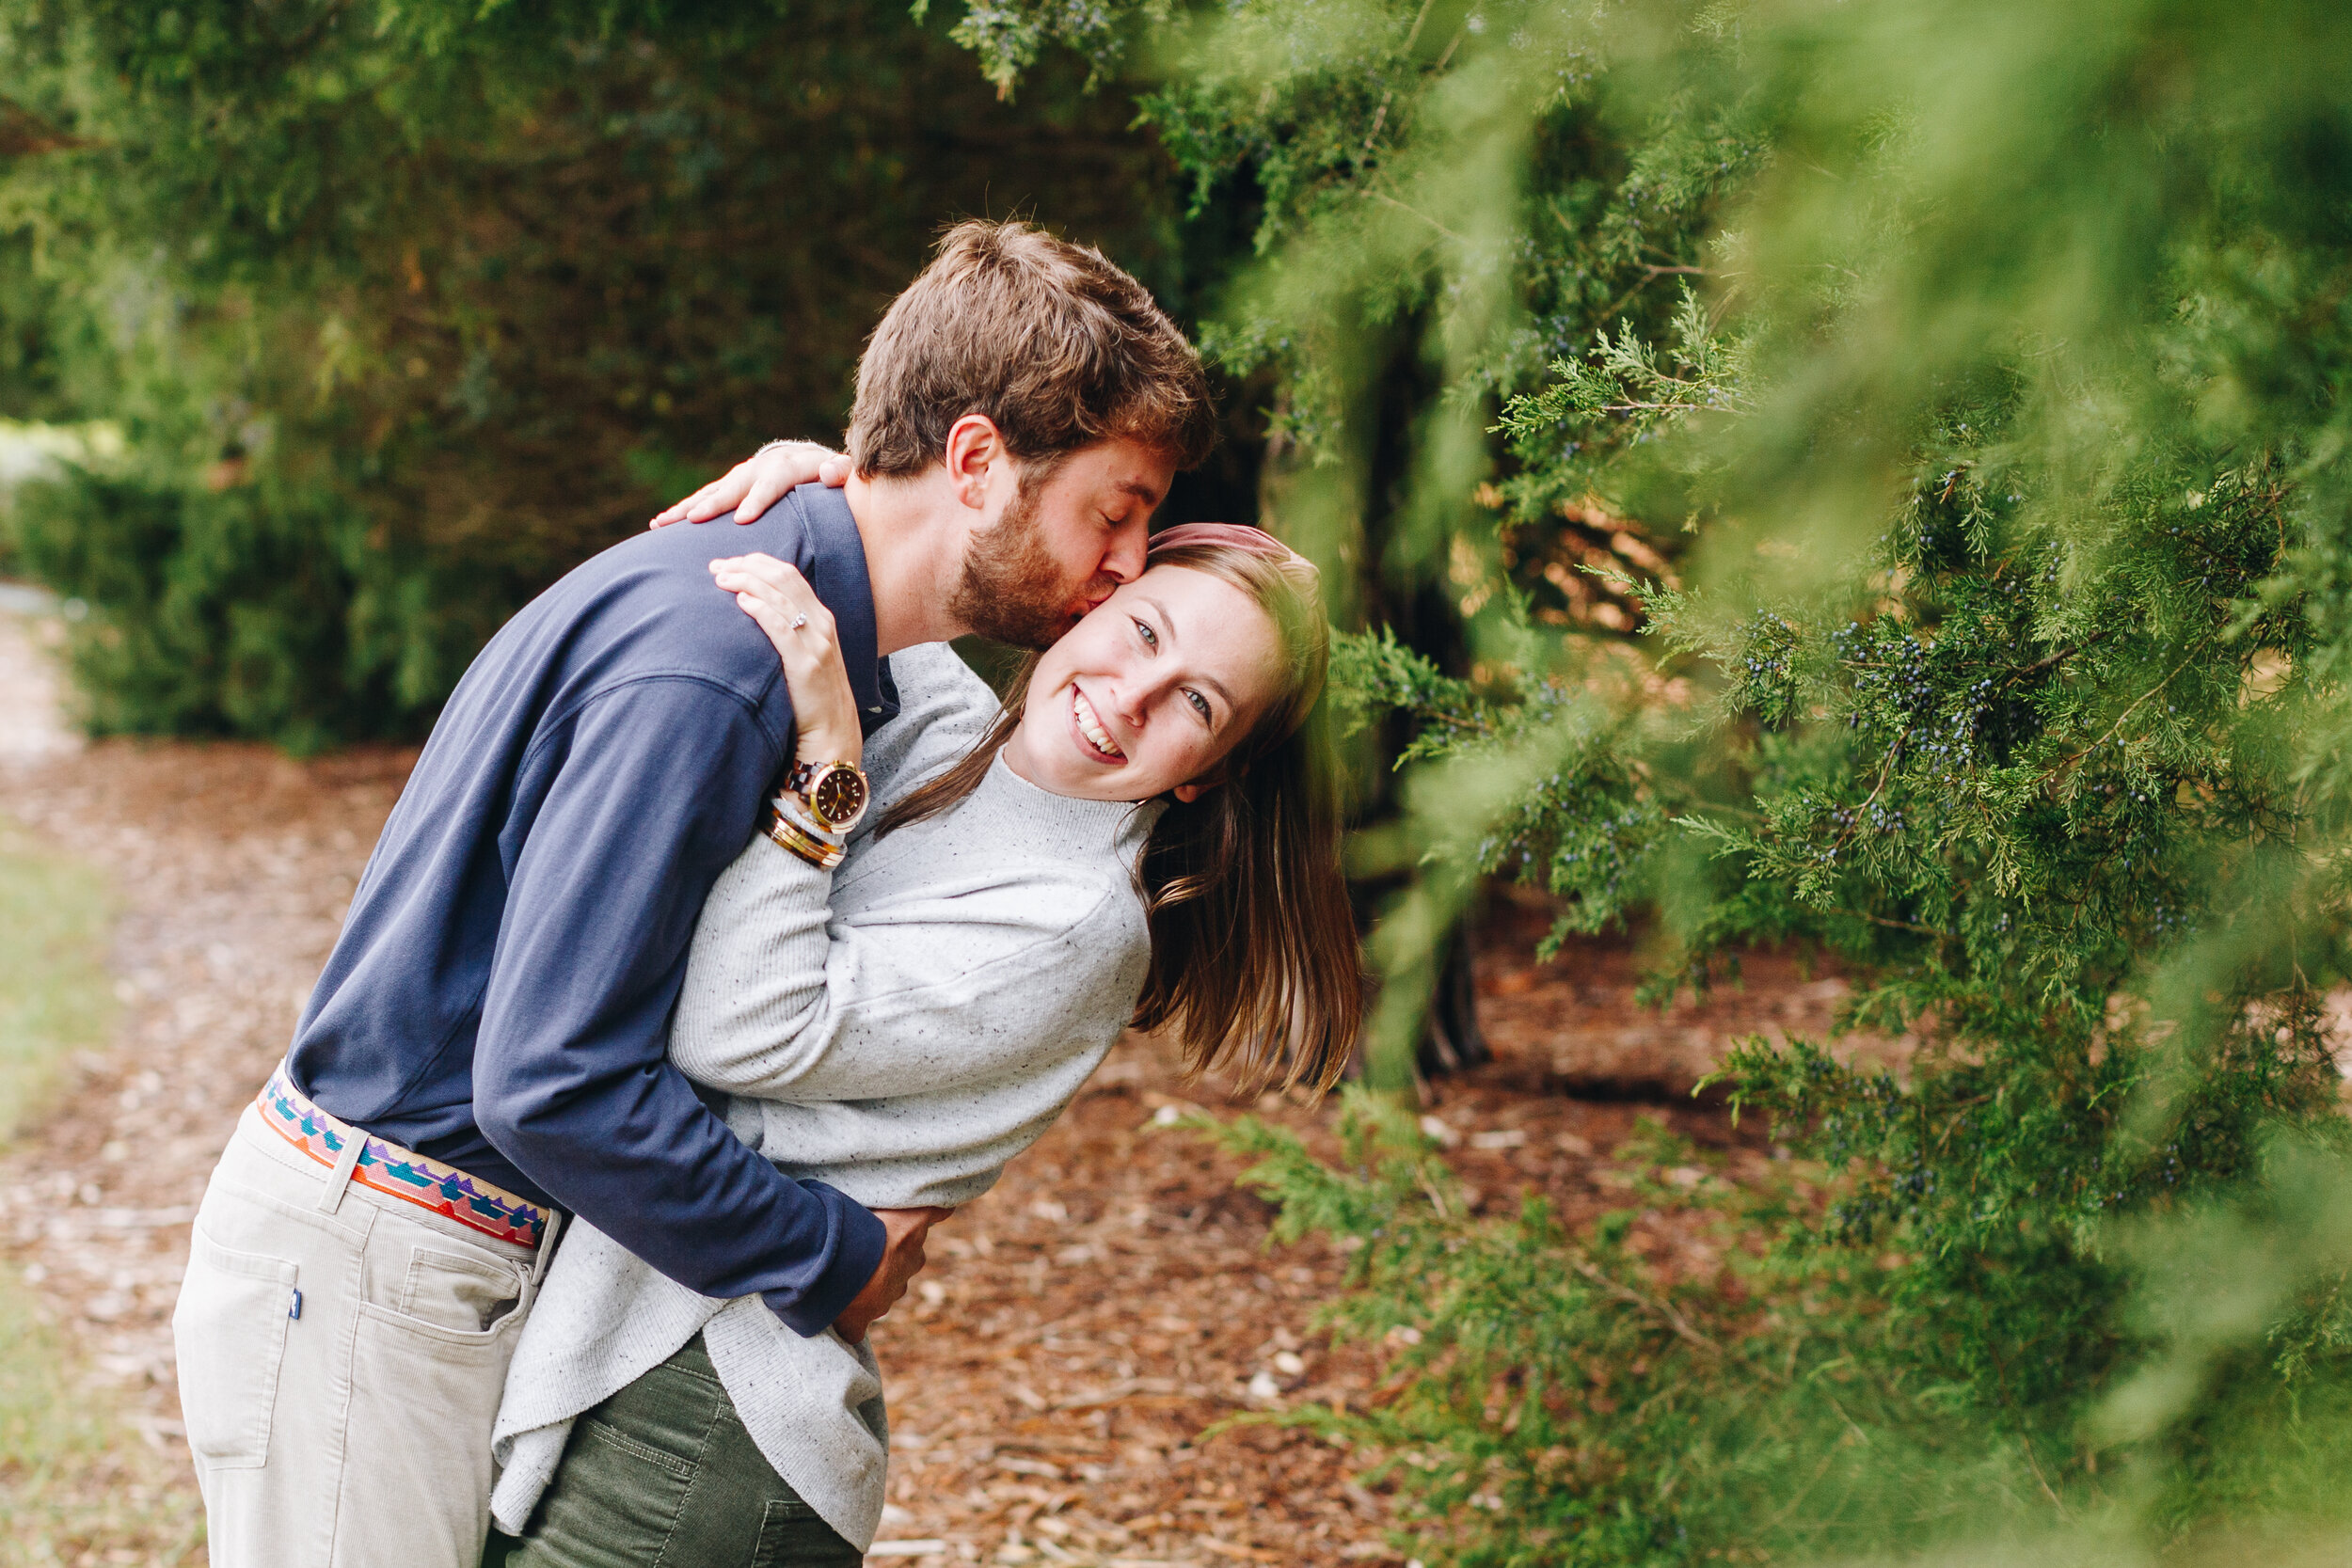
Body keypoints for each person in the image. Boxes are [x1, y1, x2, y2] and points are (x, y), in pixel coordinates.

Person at [169, 220, 1215, 1568]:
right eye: (1112, 510)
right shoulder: (720, 665)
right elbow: (550, 1079)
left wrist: (823, 474)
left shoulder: (817, 641)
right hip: (376, 1262)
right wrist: (829, 1249)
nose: (1125, 561)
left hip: (412, 1251)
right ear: (974, 462)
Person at [482, 524, 1361, 1566]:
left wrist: (826, 774)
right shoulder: (956, 730)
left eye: (1197, 702)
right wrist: (793, 464)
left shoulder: (1073, 924)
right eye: (1142, 632)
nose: (1131, 694)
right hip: (647, 1352)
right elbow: (894, 533)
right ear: (1090, 602)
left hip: (709, 1413)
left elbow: (741, 1027)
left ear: (1207, 775)